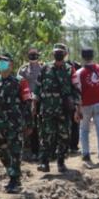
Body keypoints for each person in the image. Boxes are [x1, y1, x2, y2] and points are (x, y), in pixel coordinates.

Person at [35, 44, 79, 173]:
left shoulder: (70, 69)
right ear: (53, 53)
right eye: (56, 52)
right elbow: (37, 88)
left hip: (63, 110)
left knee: (64, 136)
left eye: (61, 52)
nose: (58, 54)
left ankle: (61, 162)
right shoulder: (45, 68)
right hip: (47, 109)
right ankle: (44, 163)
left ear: (65, 54)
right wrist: (34, 105)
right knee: (46, 136)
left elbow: (76, 89)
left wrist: (78, 108)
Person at [0, 52, 31, 194]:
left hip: (15, 123)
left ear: (11, 64)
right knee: (0, 150)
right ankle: (11, 173)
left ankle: (15, 179)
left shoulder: (20, 81)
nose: (1, 64)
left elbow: (27, 102)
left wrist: (28, 123)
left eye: (4, 61)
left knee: (15, 151)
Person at [18, 47, 43, 161]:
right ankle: (31, 150)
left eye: (35, 55)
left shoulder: (43, 68)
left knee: (42, 125)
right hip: (27, 100)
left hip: (41, 100)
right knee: (30, 125)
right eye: (31, 55)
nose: (33, 57)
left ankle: (42, 149)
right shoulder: (23, 69)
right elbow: (19, 83)